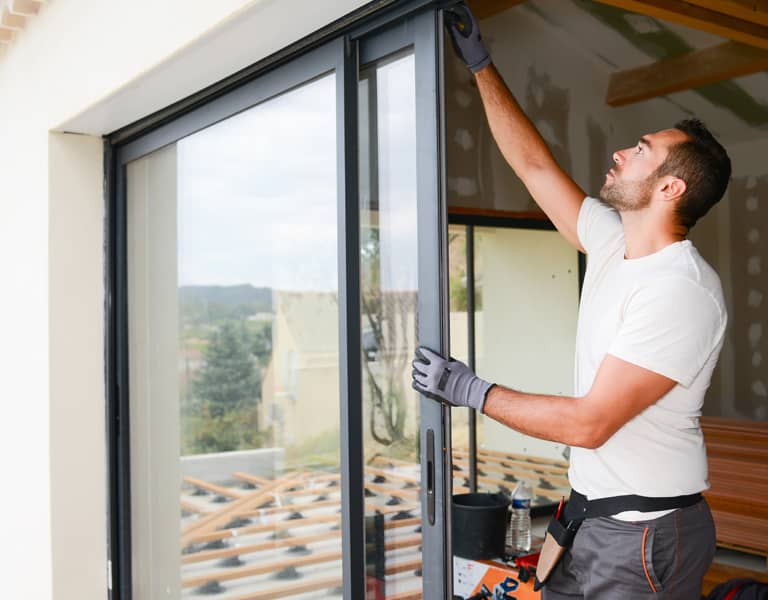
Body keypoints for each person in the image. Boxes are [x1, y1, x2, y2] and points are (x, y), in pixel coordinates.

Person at [412, 4, 732, 599]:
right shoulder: (613, 241)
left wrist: (468, 391)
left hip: (644, 535)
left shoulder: (680, 291)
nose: (619, 152)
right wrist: (481, 66)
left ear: (671, 187)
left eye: (640, 149)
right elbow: (534, 167)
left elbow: (590, 423)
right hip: (587, 517)